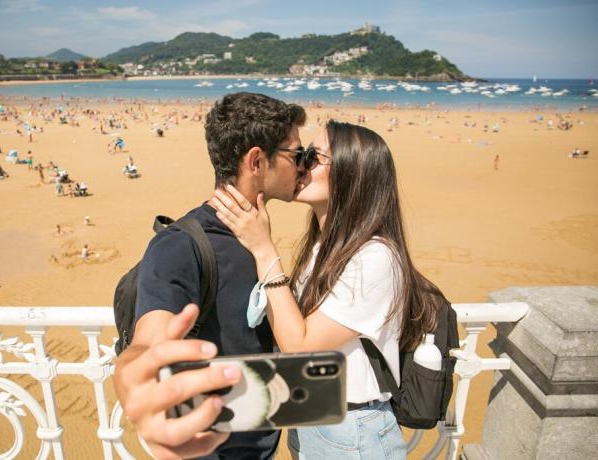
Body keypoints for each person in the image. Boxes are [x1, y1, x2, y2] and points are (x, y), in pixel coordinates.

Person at [211, 121, 447, 459]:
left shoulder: (375, 257)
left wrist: (264, 249)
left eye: (312, 156)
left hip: (353, 430)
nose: (300, 165)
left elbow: (300, 346)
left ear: (353, 173)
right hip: (317, 418)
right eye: (299, 154)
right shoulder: (323, 245)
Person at [113, 92, 307, 459]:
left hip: (261, 441)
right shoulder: (179, 246)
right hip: (213, 449)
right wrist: (135, 384)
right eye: (296, 155)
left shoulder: (253, 232)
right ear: (256, 161)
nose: (303, 165)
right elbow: (148, 343)